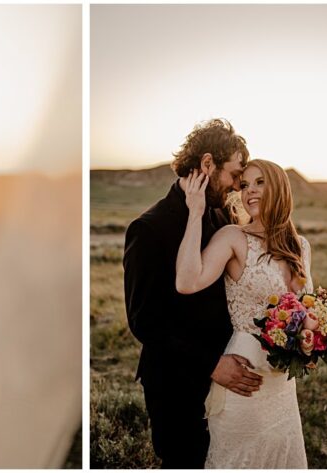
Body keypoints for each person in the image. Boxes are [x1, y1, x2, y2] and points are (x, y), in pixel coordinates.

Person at [122, 118, 258, 468]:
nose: (235, 185)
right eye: (233, 174)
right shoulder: (149, 228)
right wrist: (212, 364)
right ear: (208, 164)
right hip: (175, 384)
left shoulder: (217, 214)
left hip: (225, 375)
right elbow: (145, 322)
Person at [175, 159, 309, 468]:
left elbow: (304, 310)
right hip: (243, 377)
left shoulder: (300, 246)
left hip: (282, 384)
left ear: (279, 188)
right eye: (245, 185)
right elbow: (187, 281)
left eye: (260, 183)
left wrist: (312, 341)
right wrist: (195, 213)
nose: (250, 192)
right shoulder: (233, 237)